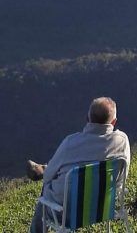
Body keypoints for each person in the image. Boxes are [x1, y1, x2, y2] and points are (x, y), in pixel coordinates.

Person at [29, 97, 130, 233]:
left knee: (45, 191)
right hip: (103, 207)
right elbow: (121, 177)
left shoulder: (70, 143)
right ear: (114, 122)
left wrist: (47, 175)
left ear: (87, 119)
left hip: (66, 213)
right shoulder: (122, 141)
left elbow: (48, 177)